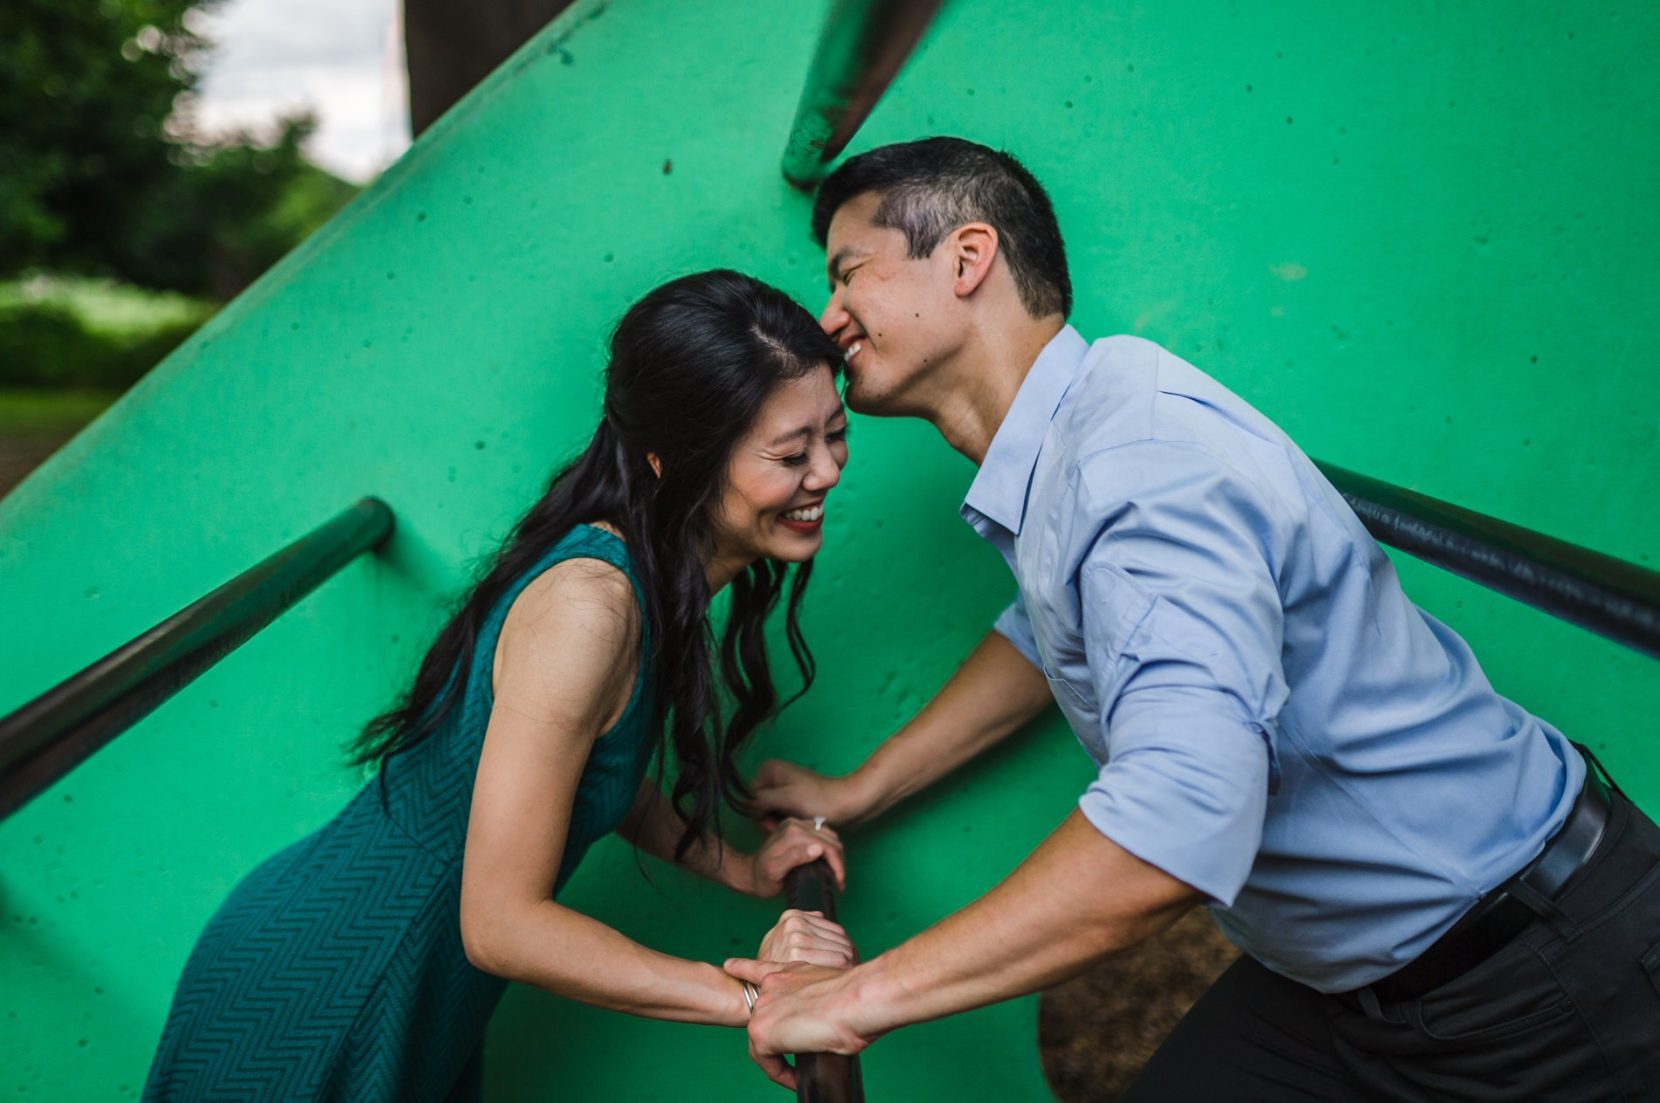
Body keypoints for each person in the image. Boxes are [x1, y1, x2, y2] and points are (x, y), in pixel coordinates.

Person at [725, 137, 1660, 1099]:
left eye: (849, 274)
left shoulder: (1137, 466)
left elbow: (1182, 818)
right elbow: (1048, 633)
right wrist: (864, 786)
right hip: (1344, 979)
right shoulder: (1078, 425)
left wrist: (856, 998)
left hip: (1528, 968)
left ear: (967, 259)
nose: (828, 315)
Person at [143, 269, 859, 1102]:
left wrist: (738, 867)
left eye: (835, 434)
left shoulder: (657, 575)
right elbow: (501, 924)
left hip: (421, 989)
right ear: (675, 461)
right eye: (790, 453)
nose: (828, 471)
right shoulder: (589, 606)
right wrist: (755, 999)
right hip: (332, 983)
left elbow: (597, 774)